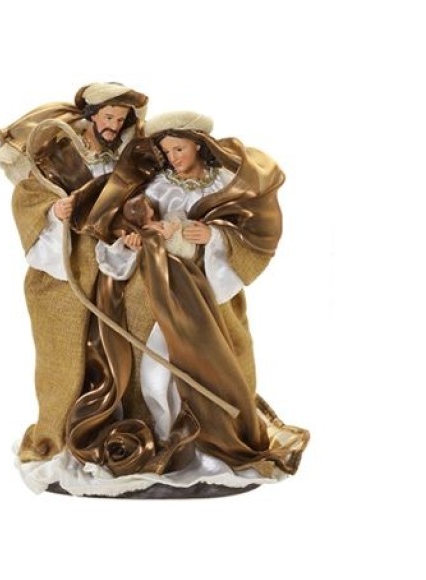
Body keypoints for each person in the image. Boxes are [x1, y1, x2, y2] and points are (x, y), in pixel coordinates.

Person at [52, 111, 309, 497]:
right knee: (154, 370)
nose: (172, 158)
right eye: (166, 151)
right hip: (159, 287)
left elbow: (254, 231)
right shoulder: (156, 184)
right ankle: (163, 435)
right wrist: (137, 236)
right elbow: (130, 219)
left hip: (208, 290)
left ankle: (206, 441)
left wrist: (213, 236)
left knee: (212, 361)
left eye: (179, 149)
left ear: (199, 146)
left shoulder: (225, 182)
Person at [0, 83, 149, 463]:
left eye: (120, 119)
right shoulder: (57, 155)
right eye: (108, 117)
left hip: (117, 265)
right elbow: (28, 197)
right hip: (67, 270)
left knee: (125, 346)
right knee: (64, 354)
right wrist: (55, 212)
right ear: (92, 116)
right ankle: (57, 434)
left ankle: (127, 425)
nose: (113, 125)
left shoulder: (128, 160)